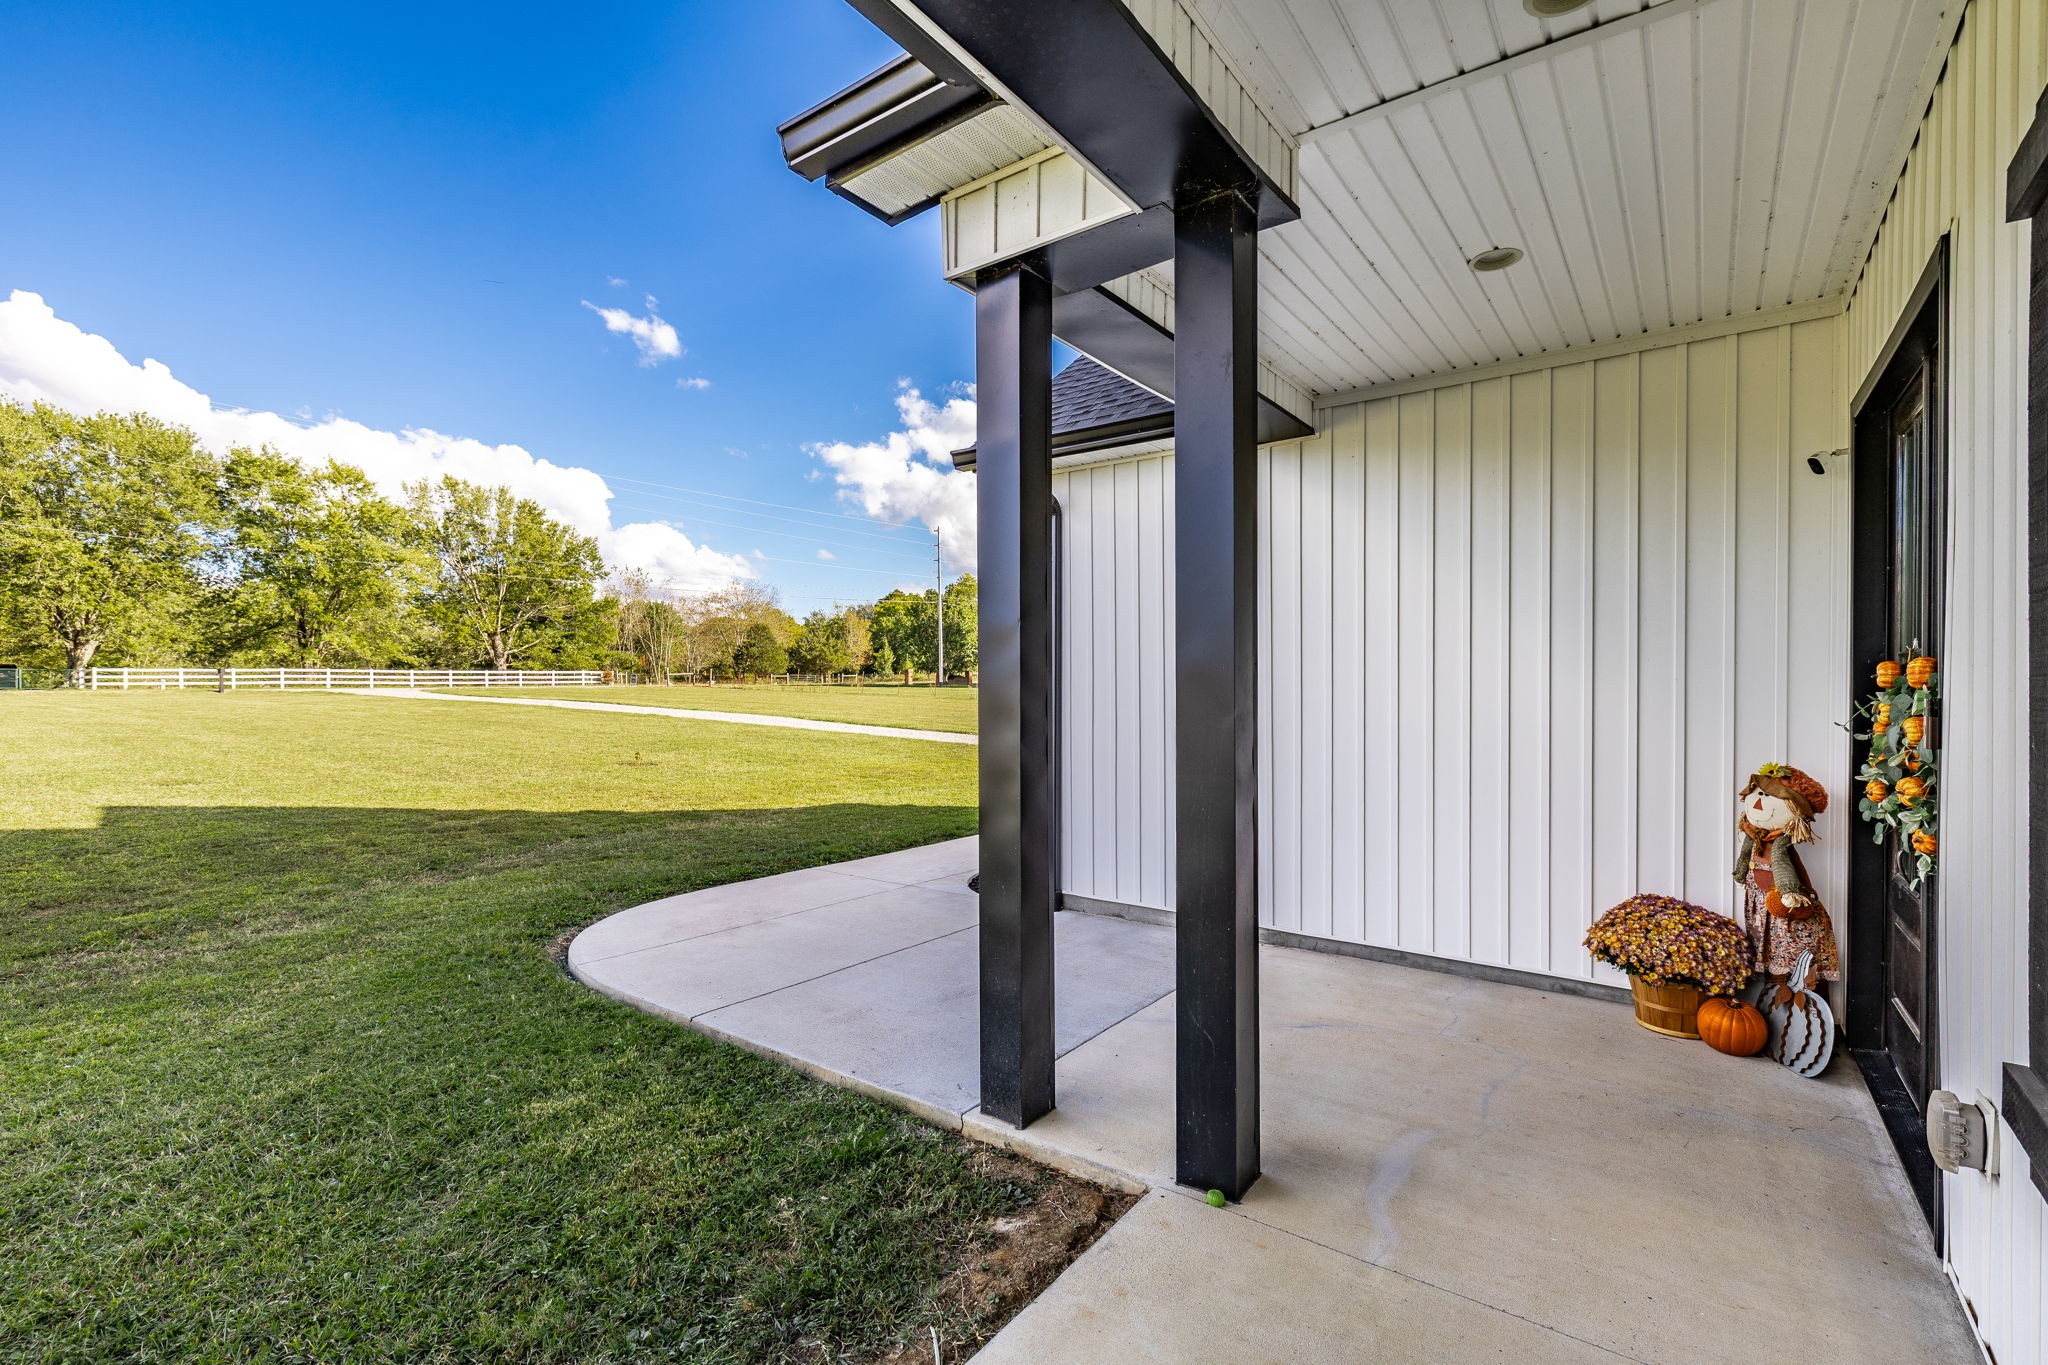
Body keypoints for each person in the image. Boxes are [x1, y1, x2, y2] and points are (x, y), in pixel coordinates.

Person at [1732, 762, 1840, 1004]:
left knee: (1792, 951)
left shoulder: (1781, 842)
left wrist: (1789, 892)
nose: (1759, 802)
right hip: (1762, 905)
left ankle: (1804, 1006)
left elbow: (1782, 867)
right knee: (1772, 952)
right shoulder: (1754, 834)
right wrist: (1741, 875)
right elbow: (1744, 857)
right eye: (1758, 793)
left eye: (1770, 796)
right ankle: (1776, 1003)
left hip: (1783, 903)